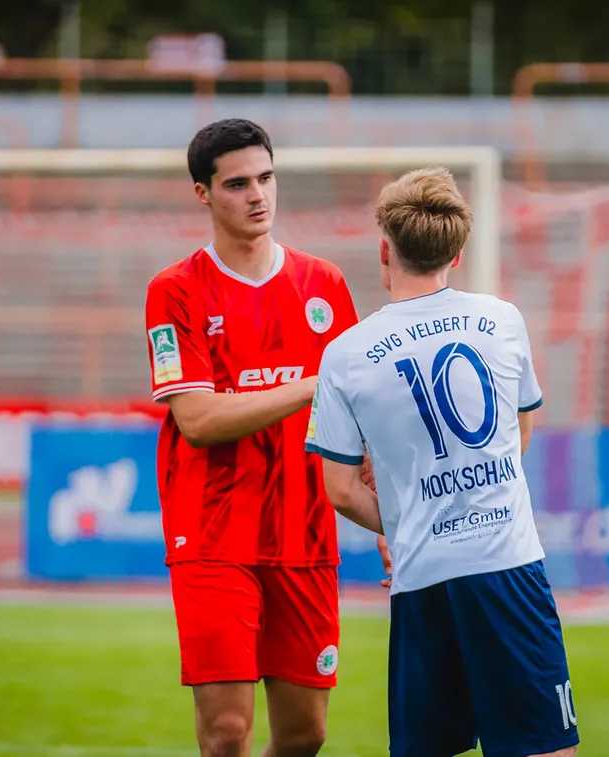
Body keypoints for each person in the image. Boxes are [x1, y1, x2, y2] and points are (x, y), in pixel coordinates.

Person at [305, 167, 581, 757]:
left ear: (386, 249)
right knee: (543, 748)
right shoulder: (502, 319)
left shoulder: (345, 354)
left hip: (422, 581)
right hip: (507, 570)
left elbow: (340, 489)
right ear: (457, 251)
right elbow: (518, 435)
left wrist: (406, 520)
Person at [144, 118, 359, 757]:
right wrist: (310, 385)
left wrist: (390, 522)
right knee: (227, 732)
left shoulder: (325, 285)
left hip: (307, 529)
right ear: (203, 194)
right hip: (212, 533)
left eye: (266, 178)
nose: (258, 195)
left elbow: (358, 418)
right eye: (237, 184)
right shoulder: (175, 290)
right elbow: (199, 420)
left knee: (304, 733)